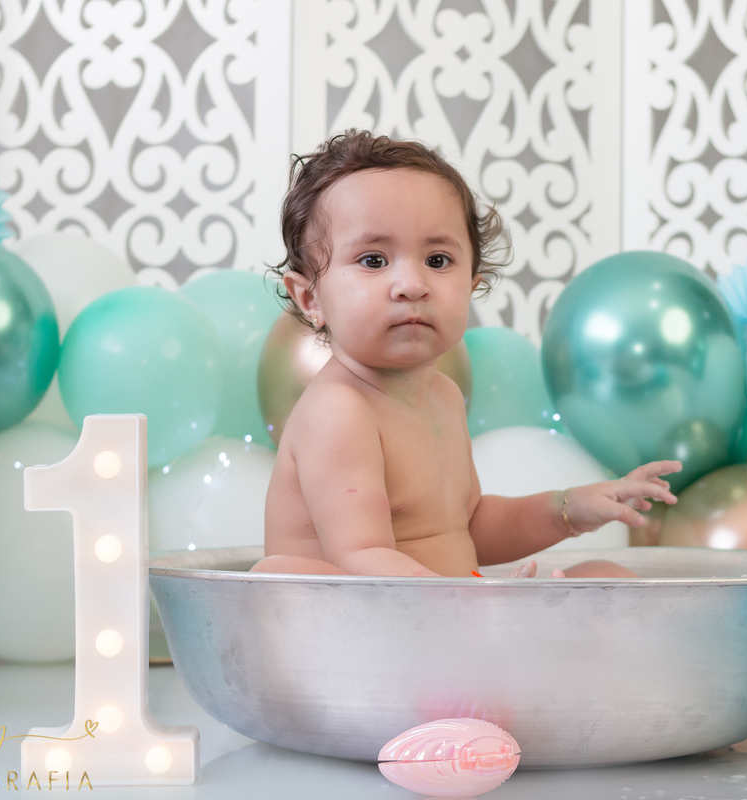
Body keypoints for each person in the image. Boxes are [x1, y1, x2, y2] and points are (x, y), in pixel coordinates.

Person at [252, 130, 680, 579]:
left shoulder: (444, 396)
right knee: (279, 571)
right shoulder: (339, 410)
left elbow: (468, 529)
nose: (412, 284)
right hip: (360, 629)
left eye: (437, 260)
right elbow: (361, 558)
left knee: (605, 578)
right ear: (310, 300)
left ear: (472, 286)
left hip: (443, 611)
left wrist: (570, 509)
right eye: (374, 260)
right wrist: (475, 610)